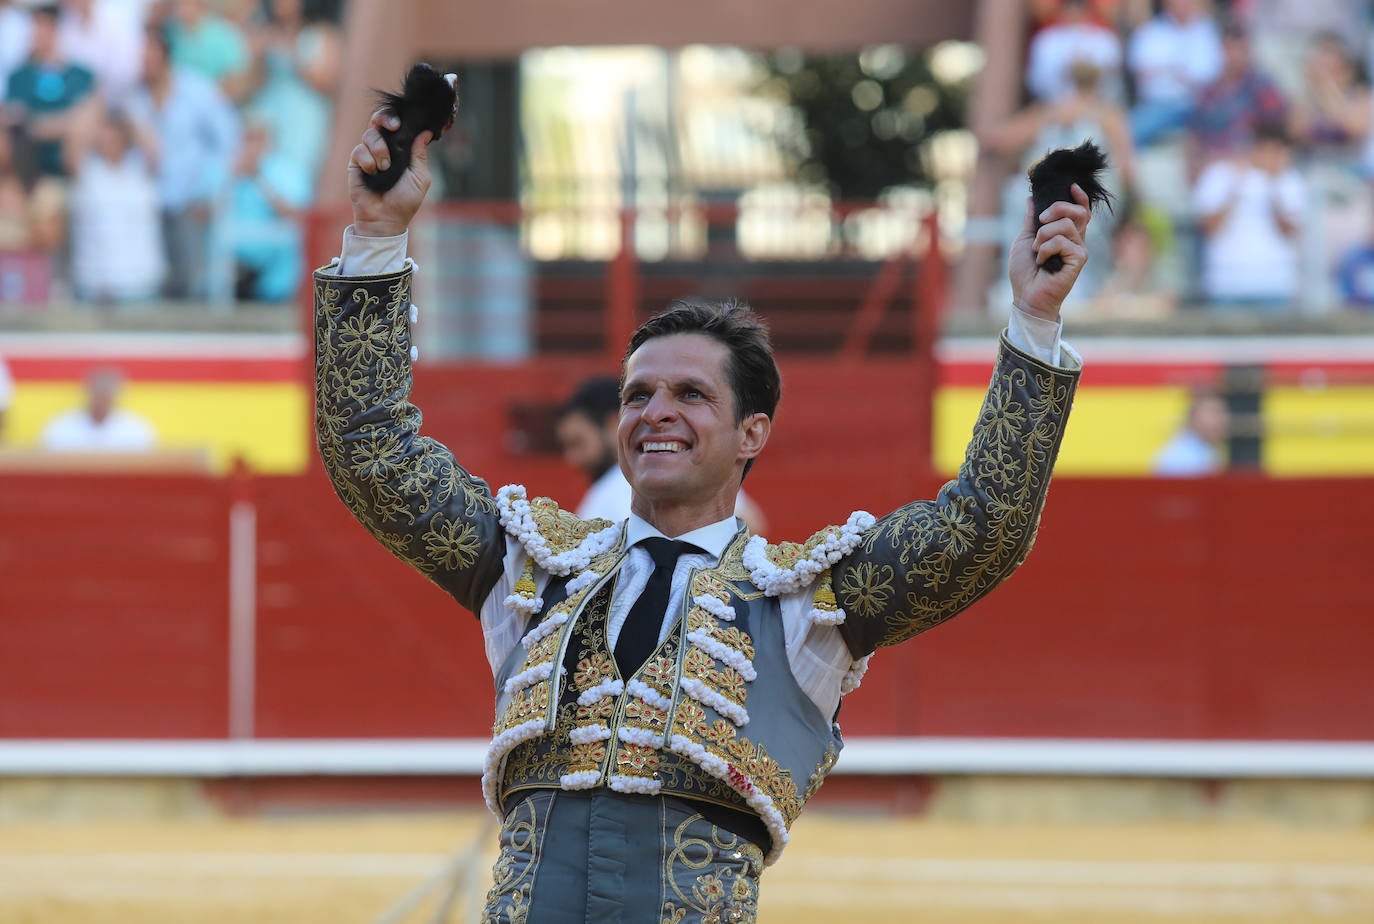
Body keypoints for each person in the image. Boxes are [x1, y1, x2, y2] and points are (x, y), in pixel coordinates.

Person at [314, 107, 1088, 922]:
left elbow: (983, 528)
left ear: (754, 431)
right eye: (637, 394)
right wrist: (376, 235)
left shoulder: (806, 605)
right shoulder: (532, 564)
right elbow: (373, 454)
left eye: (692, 395)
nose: (656, 412)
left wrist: (1033, 321)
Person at [557, 375, 769, 533]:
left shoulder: (615, 488)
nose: (572, 459)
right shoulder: (682, 466)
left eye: (578, 443)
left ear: (614, 424)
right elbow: (753, 522)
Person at [124, 24, 239, 300]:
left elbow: (228, 140)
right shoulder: (134, 100)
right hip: (147, 205)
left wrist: (211, 189)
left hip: (191, 201)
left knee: (190, 286)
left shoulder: (196, 90)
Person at [1193, 120, 1304, 310]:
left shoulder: (1290, 181)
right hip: (1227, 284)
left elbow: (1289, 230)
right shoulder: (1219, 174)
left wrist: (1273, 186)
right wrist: (1236, 186)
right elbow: (1209, 227)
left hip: (1275, 284)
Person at [41, 366, 155, 452]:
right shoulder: (62, 426)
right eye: (98, 392)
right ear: (88, 392)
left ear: (118, 395)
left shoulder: (135, 428)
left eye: (107, 393)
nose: (102, 399)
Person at [1154, 386, 1229, 476]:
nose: (1221, 420)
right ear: (1192, 416)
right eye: (1214, 413)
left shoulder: (1206, 450)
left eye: (1223, 413)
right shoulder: (1182, 459)